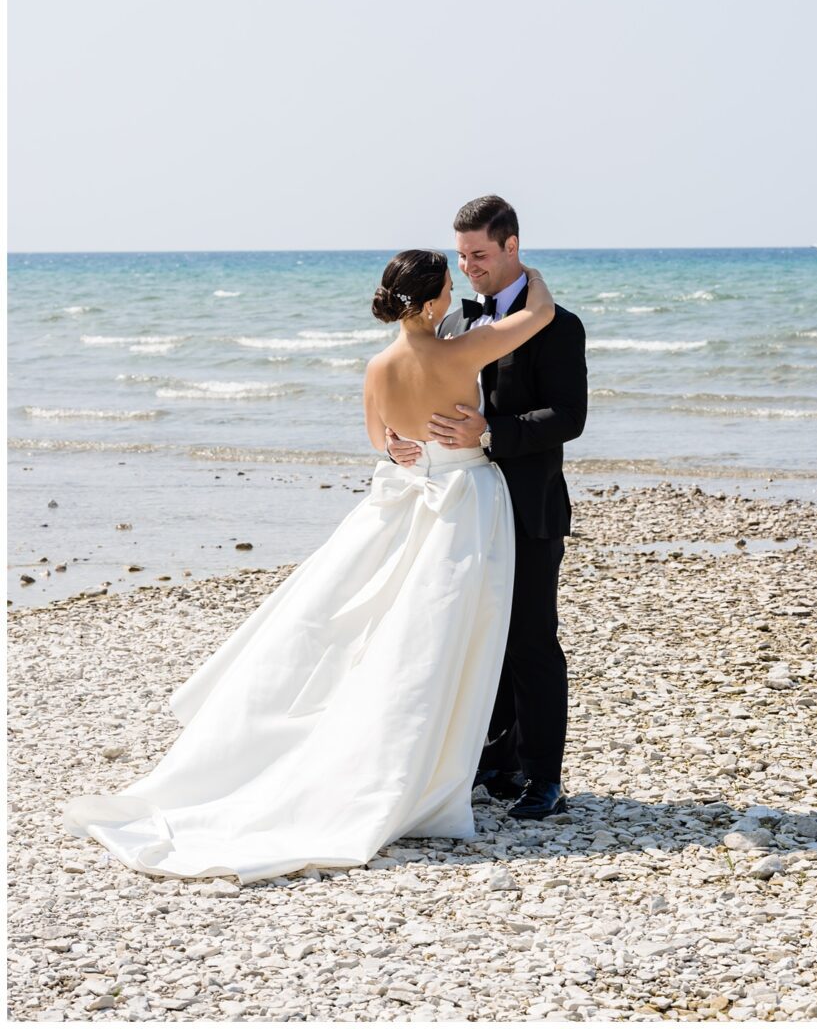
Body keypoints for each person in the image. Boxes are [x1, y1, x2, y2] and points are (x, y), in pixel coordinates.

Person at [61, 249, 556, 885]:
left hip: (404, 499)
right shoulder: (461, 350)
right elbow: (538, 315)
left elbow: (381, 441)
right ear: (434, 303)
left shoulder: (379, 366)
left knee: (383, 631)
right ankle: (429, 771)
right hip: (462, 504)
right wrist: (530, 273)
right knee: (440, 639)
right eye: (450, 285)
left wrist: (403, 447)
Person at [387, 197, 588, 820]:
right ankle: (493, 766)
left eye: (479, 254)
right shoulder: (452, 324)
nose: (469, 267)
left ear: (512, 247)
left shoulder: (559, 325)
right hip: (463, 504)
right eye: (462, 256)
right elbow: (424, 388)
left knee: (531, 639)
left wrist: (490, 433)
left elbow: (568, 418)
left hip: (528, 507)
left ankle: (544, 781)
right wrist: (403, 441)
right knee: (479, 636)